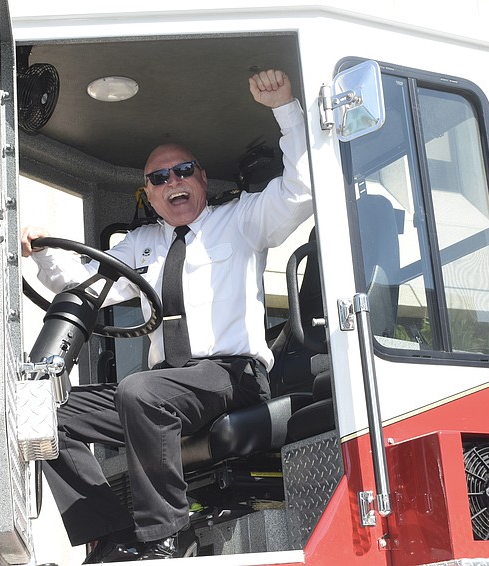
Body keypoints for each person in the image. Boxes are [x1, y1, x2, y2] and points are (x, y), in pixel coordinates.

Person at [20, 69, 312, 562]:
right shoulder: (142, 244)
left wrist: (285, 109)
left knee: (141, 389)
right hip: (167, 388)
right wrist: (40, 247)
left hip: (231, 377)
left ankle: (164, 538)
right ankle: (110, 534)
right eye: (159, 178)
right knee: (45, 414)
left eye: (182, 171)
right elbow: (78, 285)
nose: (172, 182)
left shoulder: (240, 221)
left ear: (200, 178)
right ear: (149, 194)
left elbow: (300, 191)